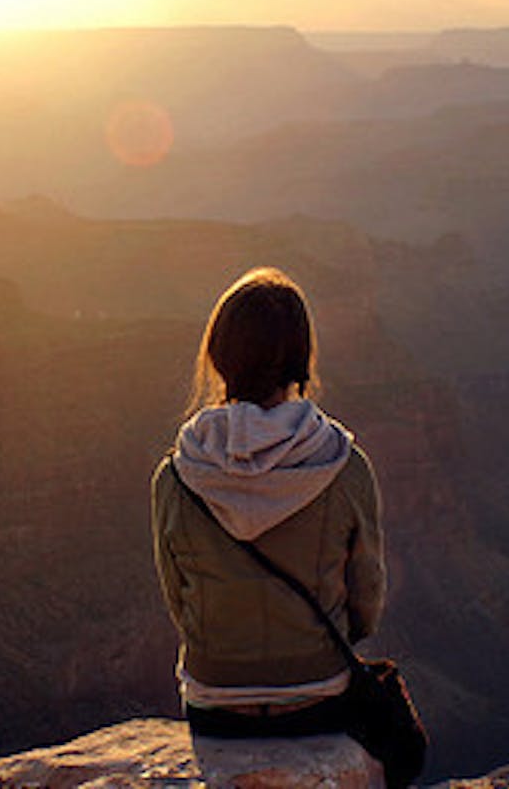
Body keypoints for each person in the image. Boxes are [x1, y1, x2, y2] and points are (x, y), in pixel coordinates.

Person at [151, 266, 386, 739]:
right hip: (318, 694)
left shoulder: (177, 474)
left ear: (219, 356)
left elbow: (177, 596)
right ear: (299, 358)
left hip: (214, 701)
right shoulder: (343, 465)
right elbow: (367, 597)